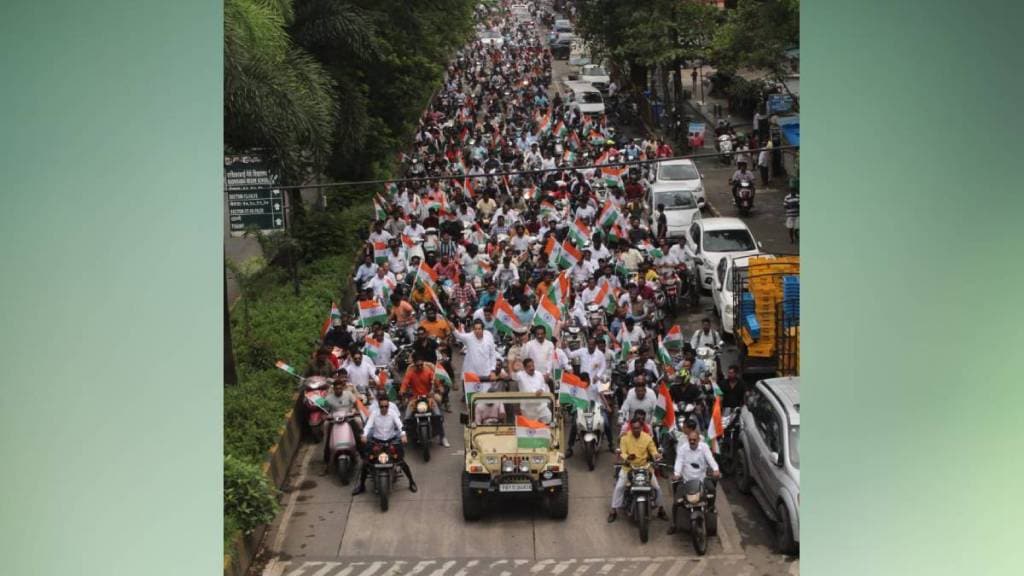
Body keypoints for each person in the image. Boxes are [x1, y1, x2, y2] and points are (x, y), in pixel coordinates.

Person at [353, 396, 417, 495]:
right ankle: (362, 486)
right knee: (366, 463)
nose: (384, 408)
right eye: (381, 406)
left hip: (391, 441)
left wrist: (403, 435)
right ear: (379, 406)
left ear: (388, 406)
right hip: (377, 442)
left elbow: (400, 425)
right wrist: (364, 435)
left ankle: (412, 482)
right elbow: (368, 426)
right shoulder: (374, 414)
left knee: (401, 462)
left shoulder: (392, 413)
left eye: (386, 406)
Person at [608, 417, 668, 523]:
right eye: (634, 428)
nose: (636, 430)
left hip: (645, 467)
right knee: (619, 487)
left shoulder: (647, 438)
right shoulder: (625, 438)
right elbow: (622, 452)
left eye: (638, 428)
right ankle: (613, 511)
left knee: (657, 488)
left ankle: (661, 510)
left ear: (641, 427)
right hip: (628, 467)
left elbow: (653, 450)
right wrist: (627, 457)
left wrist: (657, 456)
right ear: (631, 427)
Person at [666, 429, 720, 535]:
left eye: (694, 440)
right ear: (688, 440)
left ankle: (710, 508)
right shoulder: (682, 449)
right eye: (690, 440)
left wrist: (716, 469)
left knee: (712, 490)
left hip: (701, 479)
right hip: (686, 481)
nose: (692, 442)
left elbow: (710, 459)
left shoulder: (704, 447)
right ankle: (673, 524)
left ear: (699, 440)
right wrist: (677, 474)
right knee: (677, 502)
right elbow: (679, 462)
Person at [399, 357, 449, 447]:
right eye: (417, 365)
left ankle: (443, 437)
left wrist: (439, 387)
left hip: (428, 398)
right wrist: (402, 390)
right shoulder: (410, 374)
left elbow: (435, 381)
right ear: (414, 365)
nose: (420, 367)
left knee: (438, 416)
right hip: (414, 399)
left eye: (421, 365)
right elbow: (405, 383)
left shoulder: (428, 372)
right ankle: (405, 436)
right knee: (406, 417)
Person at [321, 378, 363, 474]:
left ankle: (363, 457)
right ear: (334, 389)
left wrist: (356, 411)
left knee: (358, 431)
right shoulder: (328, 398)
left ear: (343, 388)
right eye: (336, 389)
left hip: (348, 418)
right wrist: (324, 416)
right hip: (334, 420)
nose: (338, 390)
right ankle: (326, 463)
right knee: (327, 435)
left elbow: (356, 403)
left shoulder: (348, 394)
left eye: (340, 388)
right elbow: (324, 410)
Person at [514, 358, 553, 423]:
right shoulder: (520, 375)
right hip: (528, 408)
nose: (532, 368)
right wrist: (515, 368)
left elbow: (543, 385)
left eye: (532, 366)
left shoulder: (539, 374)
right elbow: (513, 376)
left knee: (548, 416)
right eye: (529, 367)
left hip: (540, 406)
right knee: (531, 429)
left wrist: (541, 390)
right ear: (524, 368)